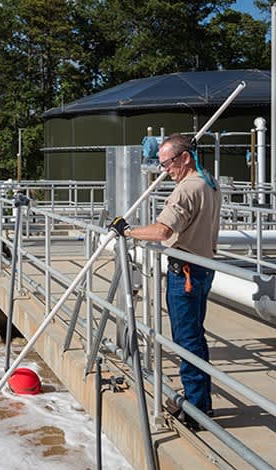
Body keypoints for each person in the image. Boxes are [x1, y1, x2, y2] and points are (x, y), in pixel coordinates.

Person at [110, 134, 221, 428]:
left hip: (184, 271)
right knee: (196, 336)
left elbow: (162, 231)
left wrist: (127, 231)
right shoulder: (209, 182)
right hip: (203, 267)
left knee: (186, 341)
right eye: (160, 165)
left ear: (185, 158)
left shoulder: (187, 189)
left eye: (168, 163)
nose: (165, 170)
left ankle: (196, 411)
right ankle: (201, 402)